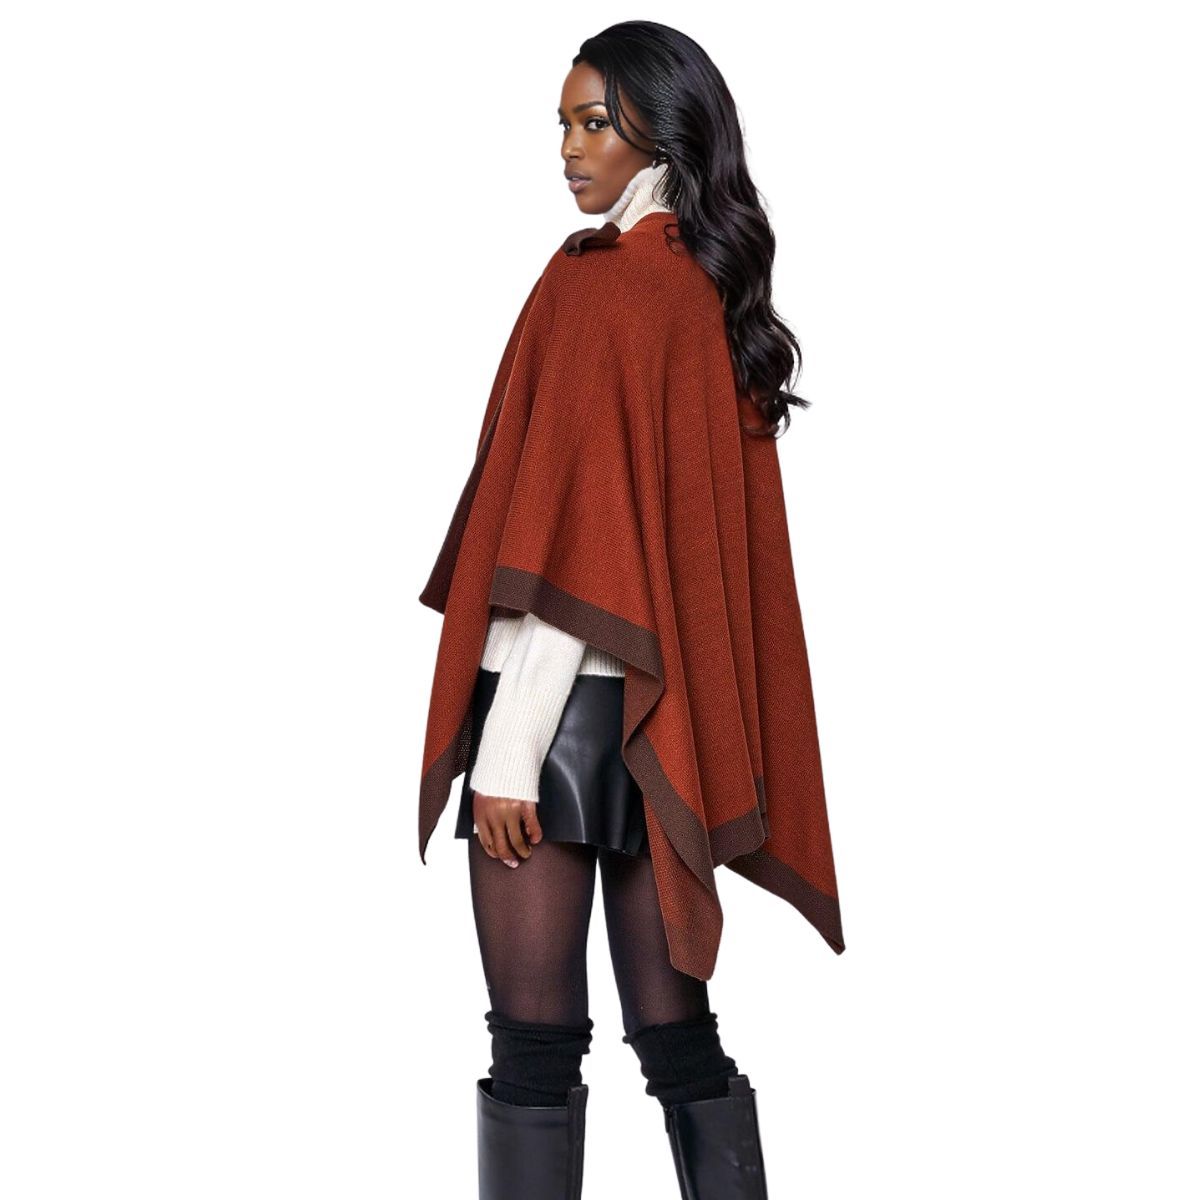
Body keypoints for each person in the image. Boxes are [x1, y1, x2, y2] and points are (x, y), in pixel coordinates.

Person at [417, 21, 845, 1199]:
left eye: (594, 122)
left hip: (553, 724)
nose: (569, 147)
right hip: (665, 730)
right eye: (562, 123)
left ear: (661, 131)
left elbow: (573, 555)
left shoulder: (601, 287)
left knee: (533, 1048)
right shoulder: (702, 290)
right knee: (678, 1037)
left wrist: (509, 753)